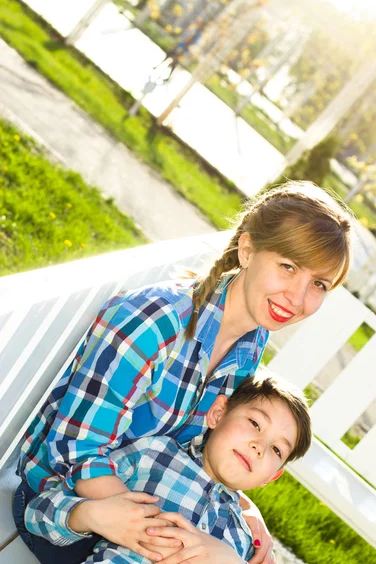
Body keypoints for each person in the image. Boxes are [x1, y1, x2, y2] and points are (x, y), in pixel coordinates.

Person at [13, 181, 353, 564]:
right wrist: (202, 549)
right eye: (288, 267)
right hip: (69, 504)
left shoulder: (250, 342)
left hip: (140, 495)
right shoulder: (157, 323)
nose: (298, 297)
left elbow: (193, 448)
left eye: (318, 284)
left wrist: (242, 509)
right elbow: (74, 451)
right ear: (247, 250)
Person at [24, 375, 312, 564]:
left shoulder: (244, 540)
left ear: (272, 477)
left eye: (277, 450)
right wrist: (89, 515)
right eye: (255, 424)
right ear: (218, 413)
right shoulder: (153, 455)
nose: (259, 446)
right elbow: (38, 514)